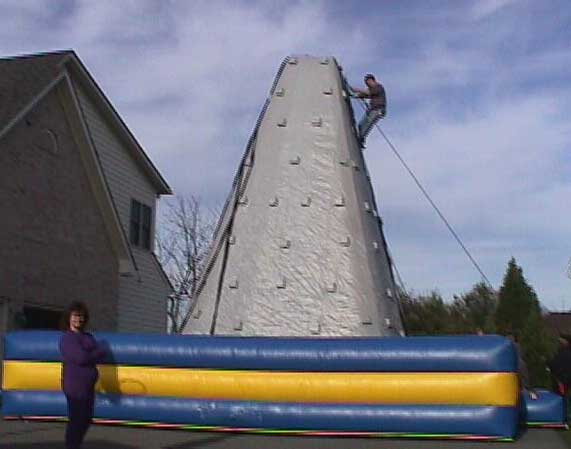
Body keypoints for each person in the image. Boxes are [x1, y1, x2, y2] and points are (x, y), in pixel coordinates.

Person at [59, 301, 107, 449]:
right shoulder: (68, 338)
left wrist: (93, 353)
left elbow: (100, 354)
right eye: (75, 316)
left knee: (86, 419)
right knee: (77, 421)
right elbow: (81, 358)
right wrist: (94, 352)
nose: (78, 319)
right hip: (74, 387)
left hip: (88, 388)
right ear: (69, 317)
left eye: (81, 316)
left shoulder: (88, 336)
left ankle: (75, 445)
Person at [349, 73, 387, 146]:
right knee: (361, 125)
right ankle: (361, 139)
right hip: (372, 110)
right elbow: (365, 94)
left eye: (368, 82)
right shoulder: (373, 89)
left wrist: (357, 90)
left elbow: (367, 93)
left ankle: (360, 139)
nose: (367, 85)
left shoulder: (378, 87)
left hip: (377, 110)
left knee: (367, 124)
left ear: (372, 80)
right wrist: (355, 95)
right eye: (366, 84)